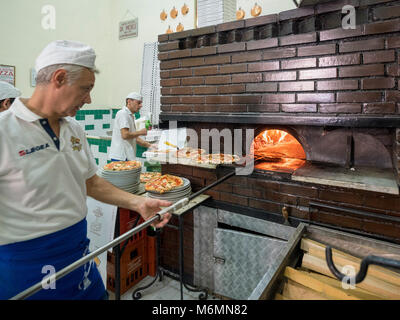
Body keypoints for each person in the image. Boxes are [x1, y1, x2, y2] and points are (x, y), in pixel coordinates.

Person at [0, 40, 171, 300]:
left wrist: (138, 202)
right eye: (86, 89)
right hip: (26, 266)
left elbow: (91, 183)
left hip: (79, 255)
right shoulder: (5, 130)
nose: (89, 99)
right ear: (59, 78)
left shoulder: (74, 130)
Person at [108, 92, 153, 161]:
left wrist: (150, 145)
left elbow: (135, 138)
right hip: (120, 157)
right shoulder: (122, 113)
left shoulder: (131, 116)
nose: (141, 106)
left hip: (127, 156)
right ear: (129, 101)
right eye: (138, 103)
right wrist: (141, 132)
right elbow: (125, 135)